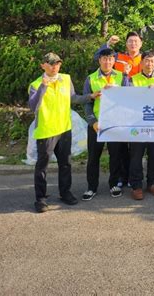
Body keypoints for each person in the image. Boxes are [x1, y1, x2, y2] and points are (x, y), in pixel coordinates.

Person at [28, 52, 98, 213]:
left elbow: (73, 98)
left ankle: (65, 192)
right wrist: (44, 87)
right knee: (42, 166)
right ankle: (40, 198)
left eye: (57, 63)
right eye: (51, 63)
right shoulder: (36, 84)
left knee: (65, 164)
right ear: (43, 65)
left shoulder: (66, 79)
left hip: (64, 128)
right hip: (46, 131)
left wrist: (91, 96)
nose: (54, 66)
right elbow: (33, 106)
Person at [94, 31, 144, 188]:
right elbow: (99, 57)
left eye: (136, 41)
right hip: (119, 108)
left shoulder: (146, 59)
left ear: (140, 44)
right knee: (121, 145)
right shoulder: (118, 57)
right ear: (126, 44)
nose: (133, 44)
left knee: (136, 145)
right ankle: (123, 176)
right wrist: (108, 44)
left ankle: (134, 176)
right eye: (130, 41)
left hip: (139, 107)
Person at [81, 48, 130, 201]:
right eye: (104, 59)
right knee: (93, 157)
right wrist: (93, 122)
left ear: (114, 61)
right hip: (97, 124)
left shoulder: (122, 77)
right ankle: (91, 187)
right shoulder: (91, 78)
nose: (107, 62)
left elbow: (129, 98)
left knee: (115, 156)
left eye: (110, 59)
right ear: (99, 60)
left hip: (114, 124)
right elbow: (86, 103)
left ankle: (114, 184)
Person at [128, 51, 154, 200]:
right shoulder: (132, 79)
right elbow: (127, 99)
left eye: (152, 61)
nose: (149, 64)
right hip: (137, 124)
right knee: (136, 156)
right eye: (147, 61)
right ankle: (136, 185)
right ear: (141, 63)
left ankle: (152, 183)